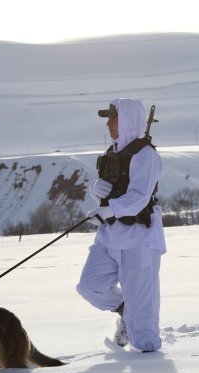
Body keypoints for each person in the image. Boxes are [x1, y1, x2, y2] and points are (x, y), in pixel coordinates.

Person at [76, 98, 166, 352]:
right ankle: (124, 310)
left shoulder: (146, 156)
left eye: (112, 118)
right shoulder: (111, 154)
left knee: (144, 311)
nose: (108, 123)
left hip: (139, 237)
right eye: (108, 119)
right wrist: (97, 191)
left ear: (127, 120)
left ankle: (149, 363)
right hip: (109, 236)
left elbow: (139, 198)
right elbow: (111, 194)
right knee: (89, 286)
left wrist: (109, 210)